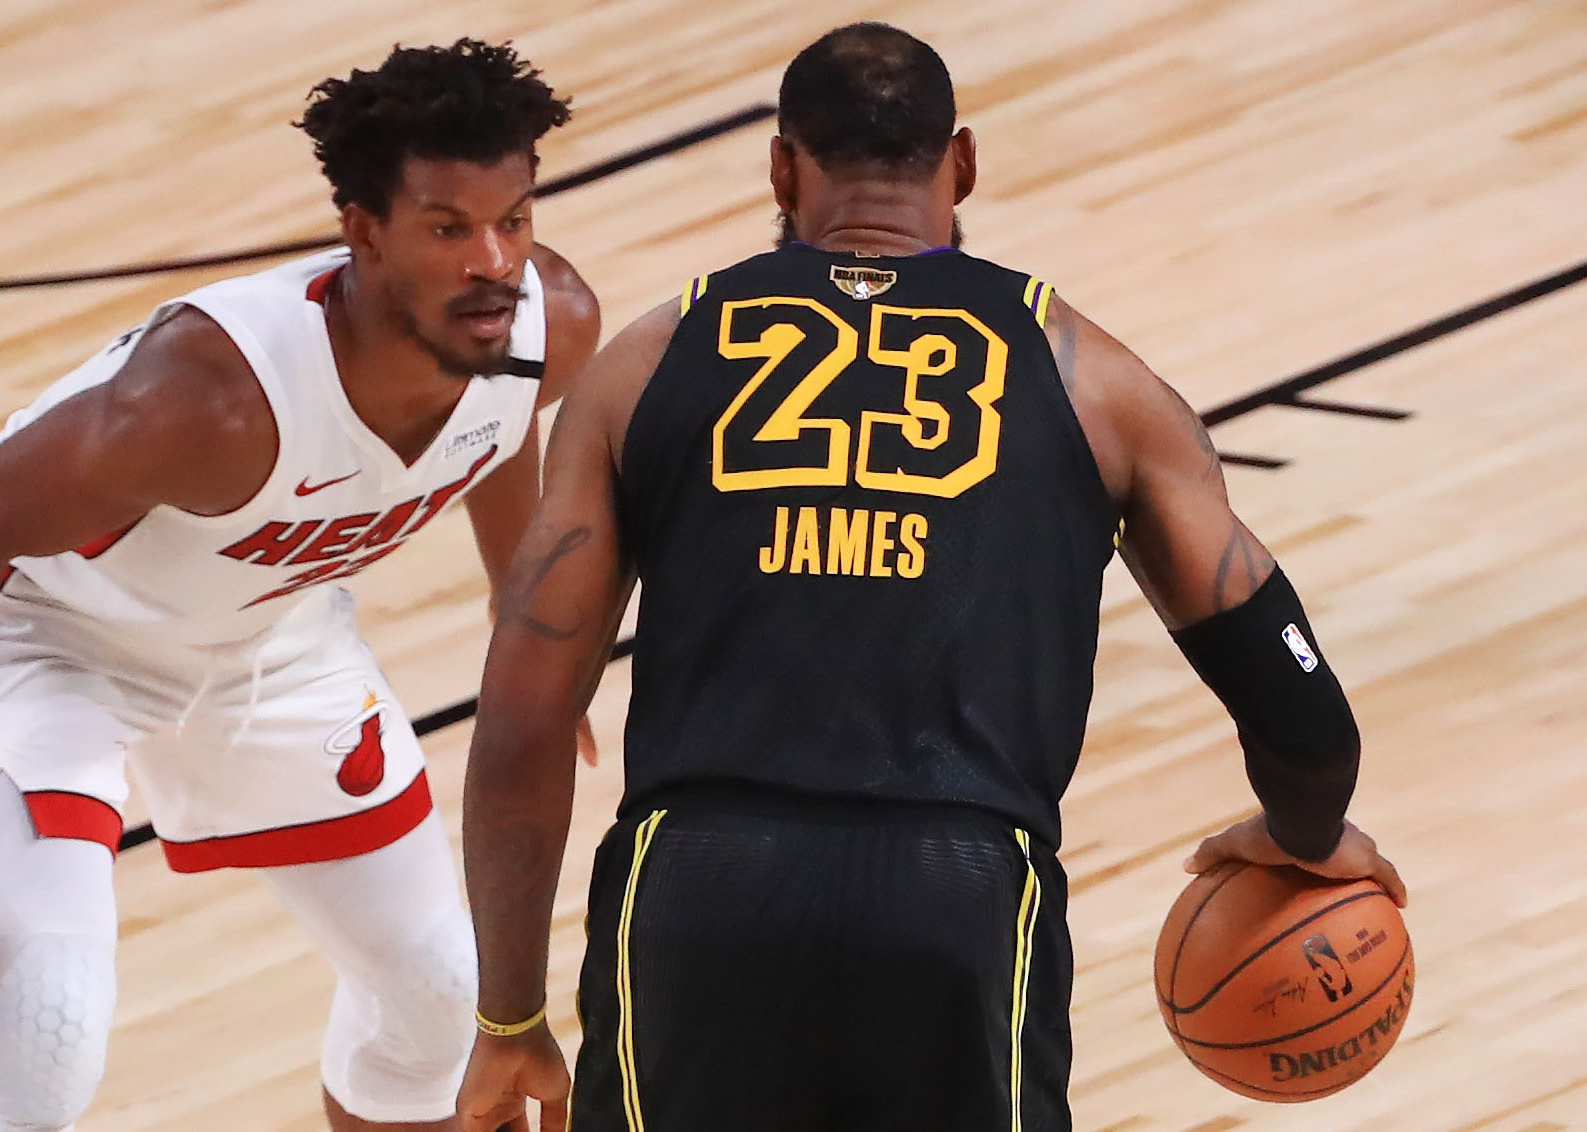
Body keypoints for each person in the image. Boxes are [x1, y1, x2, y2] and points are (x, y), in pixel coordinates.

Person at [453, 22, 1407, 1132]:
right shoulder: (1095, 379)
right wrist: (1306, 826)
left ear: (780, 167)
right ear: (960, 163)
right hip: (957, 898)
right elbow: (1302, 714)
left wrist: (510, 1014)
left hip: (699, 889)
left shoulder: (644, 367)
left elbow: (521, 728)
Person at [0, 39, 600, 1132]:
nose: (494, 261)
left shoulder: (546, 325)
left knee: (441, 999)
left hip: (265, 640)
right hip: (59, 643)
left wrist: (516, 609)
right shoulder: (208, 403)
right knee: (52, 1026)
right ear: (364, 231)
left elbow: (497, 426)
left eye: (514, 220)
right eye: (447, 228)